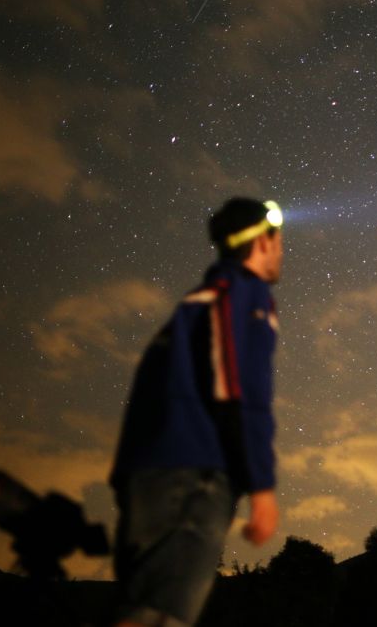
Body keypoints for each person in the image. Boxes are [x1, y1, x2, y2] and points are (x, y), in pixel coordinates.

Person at [109, 197, 284, 627]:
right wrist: (261, 486)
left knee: (144, 607)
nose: (281, 250)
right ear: (262, 241)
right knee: (160, 617)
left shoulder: (198, 302)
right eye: (277, 240)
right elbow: (238, 385)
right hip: (191, 476)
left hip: (150, 474)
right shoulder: (241, 291)